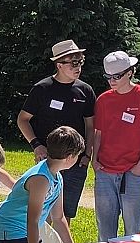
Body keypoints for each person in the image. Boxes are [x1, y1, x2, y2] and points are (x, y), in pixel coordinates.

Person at [16, 40, 96, 224]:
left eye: (80, 61)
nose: (78, 67)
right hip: (48, 161)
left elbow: (91, 126)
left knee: (65, 213)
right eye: (73, 63)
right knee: (44, 210)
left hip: (76, 162)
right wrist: (36, 145)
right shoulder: (42, 88)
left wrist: (87, 155)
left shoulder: (85, 90)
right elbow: (22, 119)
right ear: (59, 65)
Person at [90, 50, 140, 241]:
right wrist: (94, 160)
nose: (111, 81)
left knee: (132, 232)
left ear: (130, 72)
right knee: (105, 230)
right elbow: (98, 133)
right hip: (105, 171)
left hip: (133, 172)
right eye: (108, 77)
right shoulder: (103, 99)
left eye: (116, 76)